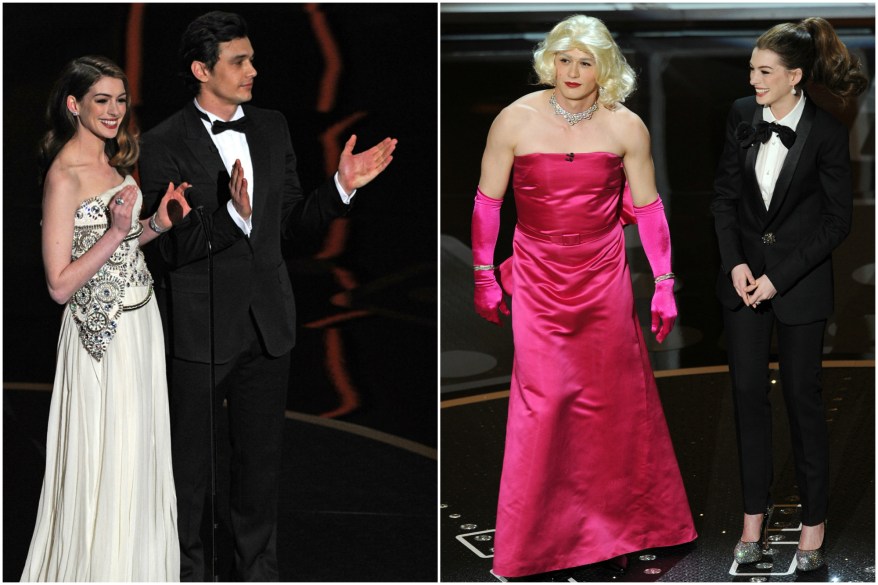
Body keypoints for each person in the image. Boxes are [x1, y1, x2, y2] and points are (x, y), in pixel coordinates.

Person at [138, 11, 397, 581]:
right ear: (202, 69)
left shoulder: (272, 126)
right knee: (190, 473)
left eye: (252, 58)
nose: (253, 69)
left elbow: (293, 224)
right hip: (201, 332)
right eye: (239, 61)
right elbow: (172, 249)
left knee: (260, 469)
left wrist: (340, 188)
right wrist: (232, 215)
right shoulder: (161, 144)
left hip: (268, 325)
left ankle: (259, 573)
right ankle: (187, 573)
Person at [471, 14, 697, 578]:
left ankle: (627, 529)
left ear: (606, 66)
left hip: (603, 276)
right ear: (551, 61)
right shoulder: (514, 120)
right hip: (539, 273)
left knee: (613, 403)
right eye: (565, 59)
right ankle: (539, 541)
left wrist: (665, 284)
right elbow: (486, 204)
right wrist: (482, 273)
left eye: (586, 60)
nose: (573, 71)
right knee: (543, 402)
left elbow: (648, 209)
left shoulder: (626, 127)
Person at [21, 55, 190, 581]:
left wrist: (155, 225)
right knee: (108, 465)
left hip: (141, 326)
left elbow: (120, 249)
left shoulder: (115, 165)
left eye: (121, 100)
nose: (115, 110)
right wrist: (119, 232)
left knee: (139, 457)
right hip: (101, 339)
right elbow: (59, 284)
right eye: (102, 100)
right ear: (74, 105)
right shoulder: (63, 177)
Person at [711, 17, 867, 572]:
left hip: (797, 287)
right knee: (748, 398)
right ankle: (753, 521)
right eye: (752, 69)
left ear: (795, 76)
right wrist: (735, 264)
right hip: (743, 284)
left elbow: (836, 222)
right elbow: (725, 197)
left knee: (803, 403)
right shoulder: (740, 115)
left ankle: (812, 525)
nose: (754, 79)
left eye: (765, 71)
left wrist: (779, 277)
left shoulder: (826, 130)